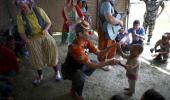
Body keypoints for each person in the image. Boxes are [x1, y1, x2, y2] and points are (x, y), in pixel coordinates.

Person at [61, 21, 120, 100]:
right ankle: (74, 91)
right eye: (87, 31)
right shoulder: (75, 48)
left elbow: (100, 54)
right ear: (80, 34)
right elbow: (90, 65)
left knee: (93, 64)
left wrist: (111, 46)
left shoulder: (86, 42)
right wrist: (108, 62)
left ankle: (76, 81)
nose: (90, 33)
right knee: (81, 77)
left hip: (79, 66)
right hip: (69, 70)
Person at [15, 0, 62, 85]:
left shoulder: (39, 10)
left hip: (44, 35)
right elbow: (21, 32)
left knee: (51, 54)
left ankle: (57, 72)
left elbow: (49, 22)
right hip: (33, 38)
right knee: (36, 58)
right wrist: (26, 40)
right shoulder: (20, 17)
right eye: (20, 7)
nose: (22, 9)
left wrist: (45, 29)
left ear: (29, 4)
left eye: (24, 7)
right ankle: (40, 76)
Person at [98, 0, 123, 68]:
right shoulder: (107, 4)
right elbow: (110, 19)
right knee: (105, 47)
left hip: (107, 29)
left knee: (111, 45)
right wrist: (119, 21)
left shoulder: (106, 3)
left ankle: (107, 61)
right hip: (105, 30)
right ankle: (102, 64)